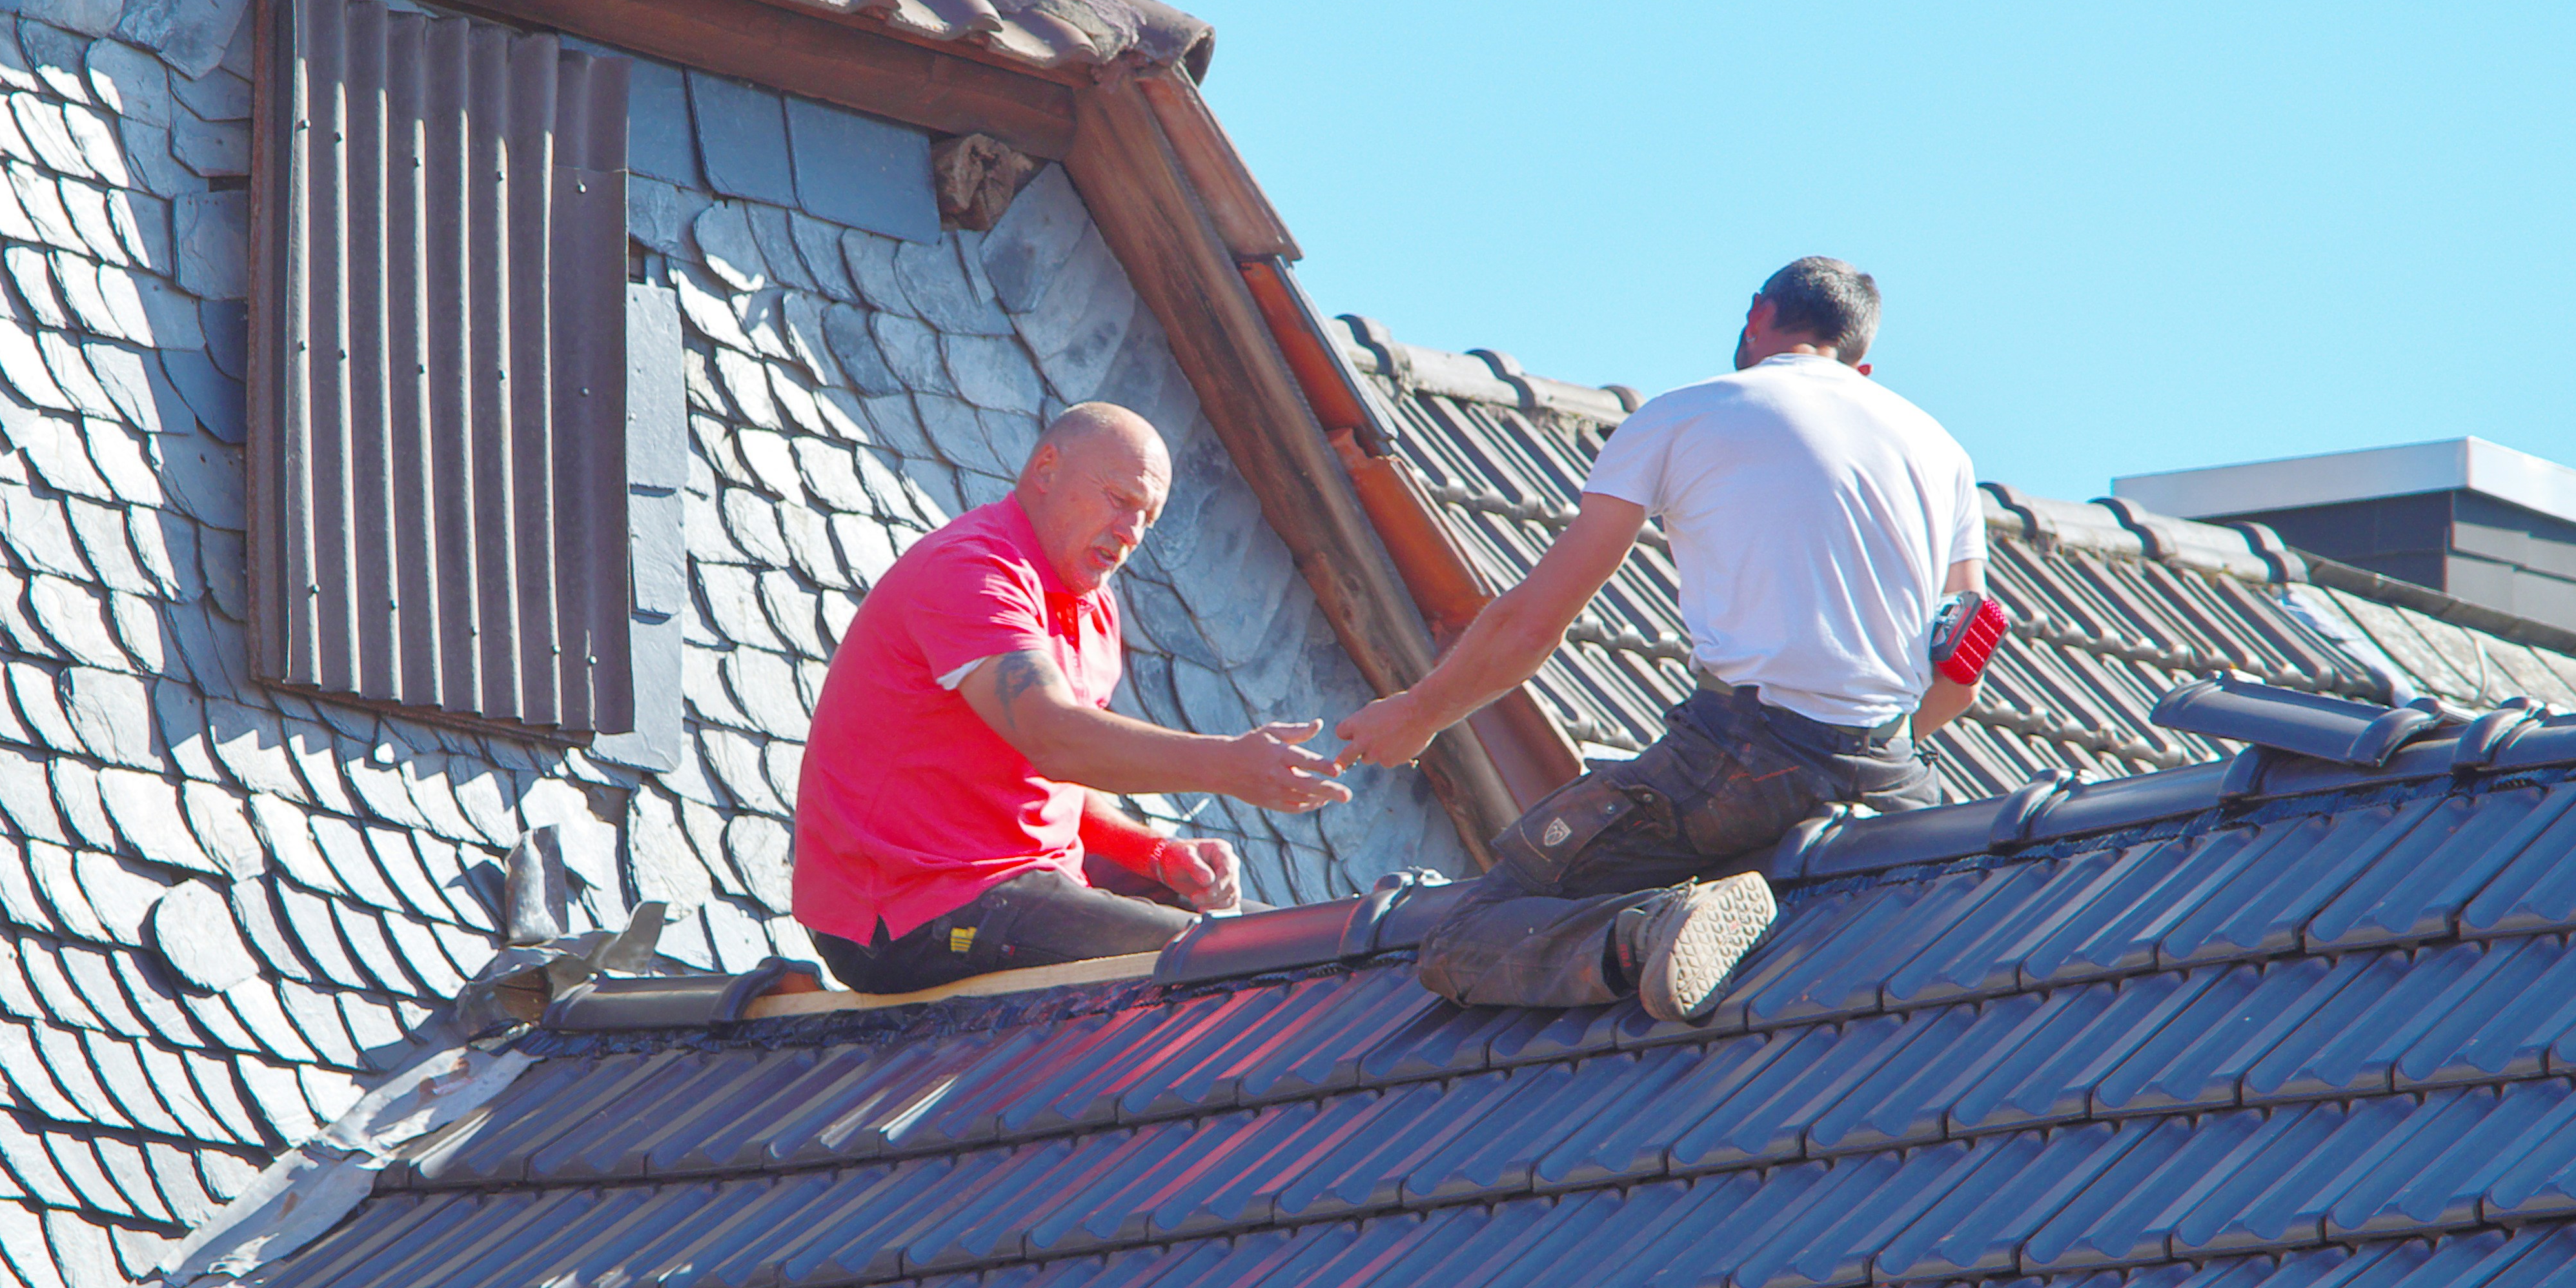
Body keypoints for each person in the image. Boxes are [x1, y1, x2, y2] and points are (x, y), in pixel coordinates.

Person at [1335, 257, 1991, 1020]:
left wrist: (1416, 715)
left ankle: (1646, 938)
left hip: (1740, 757)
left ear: (1755, 318)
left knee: (1469, 934)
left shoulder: (1685, 415)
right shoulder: (1941, 451)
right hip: (1889, 773)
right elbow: (1960, 674)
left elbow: (1533, 622)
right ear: (1860, 363)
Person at [793, 403, 1350, 993]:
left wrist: (1156, 854)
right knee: (1231, 966)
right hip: (905, 915)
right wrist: (1230, 765)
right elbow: (1056, 738)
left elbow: (1061, 784)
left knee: (1310, 943)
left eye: (1148, 519)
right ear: (1046, 469)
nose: (1131, 533)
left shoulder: (1091, 606)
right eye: (1119, 499)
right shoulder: (974, 569)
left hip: (1015, 882)